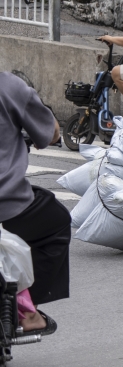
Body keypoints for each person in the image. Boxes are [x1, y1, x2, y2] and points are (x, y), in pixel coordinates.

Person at [0, 72, 71, 336]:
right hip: (8, 205)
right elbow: (50, 134)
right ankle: (29, 313)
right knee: (58, 220)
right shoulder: (9, 86)